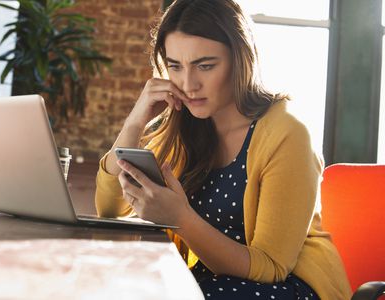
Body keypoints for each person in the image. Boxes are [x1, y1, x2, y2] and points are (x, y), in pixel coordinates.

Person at [95, 0, 352, 299]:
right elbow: (110, 209)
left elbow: (271, 268)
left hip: (288, 287)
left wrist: (181, 219)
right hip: (215, 283)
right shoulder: (187, 126)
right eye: (176, 66)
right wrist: (134, 122)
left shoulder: (288, 133)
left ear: (240, 60)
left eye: (205, 66)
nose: (189, 84)